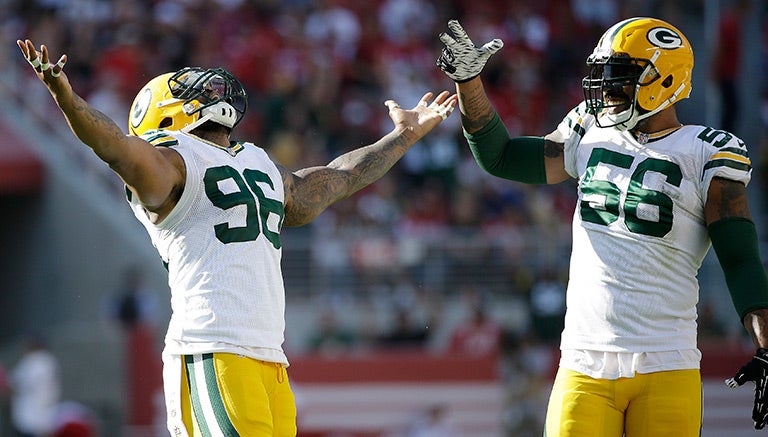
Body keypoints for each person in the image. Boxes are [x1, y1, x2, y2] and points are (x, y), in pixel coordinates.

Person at [17, 39, 457, 437]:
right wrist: (67, 99)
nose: (207, 91)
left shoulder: (256, 161)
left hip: (269, 357)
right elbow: (114, 145)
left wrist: (402, 136)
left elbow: (338, 179)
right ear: (162, 114)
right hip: (214, 349)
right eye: (187, 89)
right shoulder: (169, 164)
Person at [436, 17, 768, 435]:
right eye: (603, 76)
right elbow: (500, 156)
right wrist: (469, 83)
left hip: (667, 360)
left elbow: (738, 259)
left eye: (620, 78)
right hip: (584, 361)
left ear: (664, 82)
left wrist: (766, 344)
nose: (606, 90)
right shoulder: (588, 130)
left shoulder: (707, 152)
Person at [9, 336, 61, 437]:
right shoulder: (49, 361)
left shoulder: (35, 361)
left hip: (31, 415)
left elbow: (15, 384)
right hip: (44, 413)